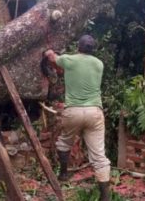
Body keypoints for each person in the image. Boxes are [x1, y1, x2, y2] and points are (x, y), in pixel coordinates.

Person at [44, 35, 111, 201]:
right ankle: (105, 196)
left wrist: (48, 52)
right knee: (98, 155)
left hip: (73, 111)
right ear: (93, 48)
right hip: (95, 112)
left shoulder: (69, 60)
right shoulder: (99, 64)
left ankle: (64, 174)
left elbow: (52, 58)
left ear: (78, 47)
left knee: (64, 141)